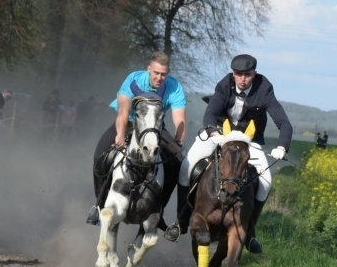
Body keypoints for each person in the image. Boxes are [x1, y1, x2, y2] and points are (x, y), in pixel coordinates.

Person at [165, 54, 292, 254]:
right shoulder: (224, 85)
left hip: (249, 141)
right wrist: (213, 133)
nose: (243, 79)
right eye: (239, 74)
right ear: (233, 74)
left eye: (247, 75)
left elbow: (284, 123)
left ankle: (249, 232)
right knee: (185, 167)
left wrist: (282, 146)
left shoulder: (265, 88)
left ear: (254, 74)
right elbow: (210, 113)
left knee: (266, 182)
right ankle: (181, 221)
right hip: (219, 135)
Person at [86, 51, 187, 227]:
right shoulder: (134, 79)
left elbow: (180, 120)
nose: (159, 77)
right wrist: (120, 134)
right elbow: (123, 112)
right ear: (149, 69)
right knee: (100, 154)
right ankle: (99, 204)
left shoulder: (175, 87)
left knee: (179, 163)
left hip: (154, 128)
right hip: (130, 123)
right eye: (156, 73)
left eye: (163, 74)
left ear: (168, 73)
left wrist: (177, 143)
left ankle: (160, 211)